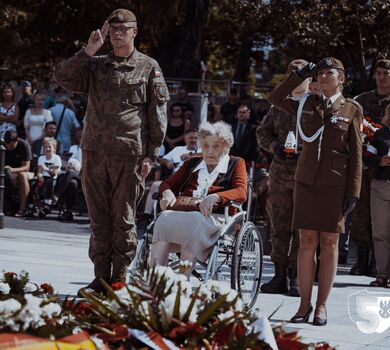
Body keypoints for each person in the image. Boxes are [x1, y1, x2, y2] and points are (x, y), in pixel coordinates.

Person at [54, 8, 169, 293]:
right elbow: (62, 77)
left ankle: (119, 278)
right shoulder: (96, 65)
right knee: (99, 218)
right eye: (113, 29)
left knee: (123, 217)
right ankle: (100, 277)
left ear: (134, 32)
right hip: (94, 151)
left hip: (129, 153)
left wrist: (151, 154)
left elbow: (158, 113)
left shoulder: (148, 66)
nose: (117, 34)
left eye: (123, 29)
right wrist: (88, 50)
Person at [268, 57, 363, 325]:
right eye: (319, 74)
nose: (322, 77)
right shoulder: (306, 105)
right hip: (306, 181)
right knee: (307, 241)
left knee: (329, 243)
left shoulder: (351, 109)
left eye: (328, 73)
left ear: (341, 79)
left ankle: (321, 306)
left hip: (335, 184)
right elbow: (275, 97)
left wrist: (353, 192)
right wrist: (299, 76)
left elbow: (356, 155)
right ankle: (303, 305)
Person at [150, 121, 247, 276]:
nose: (209, 151)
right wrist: (167, 193)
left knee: (194, 221)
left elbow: (241, 191)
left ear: (226, 147)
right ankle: (155, 280)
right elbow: (167, 183)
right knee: (163, 218)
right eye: (205, 146)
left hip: (217, 217)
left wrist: (216, 197)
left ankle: (182, 281)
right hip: (187, 212)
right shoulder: (192, 162)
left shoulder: (236, 163)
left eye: (216, 146)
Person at [257, 59, 311, 297]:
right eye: (291, 74)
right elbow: (262, 132)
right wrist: (274, 147)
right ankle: (279, 275)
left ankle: (296, 276)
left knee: (302, 227)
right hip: (280, 173)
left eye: (300, 74)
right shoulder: (279, 106)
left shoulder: (315, 104)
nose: (296, 78)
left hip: (305, 174)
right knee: (278, 225)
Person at [350, 58, 390, 276]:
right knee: (361, 212)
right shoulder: (362, 100)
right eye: (379, 73)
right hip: (366, 163)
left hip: (387, 170)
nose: (382, 77)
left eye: (386, 73)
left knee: (383, 218)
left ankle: (380, 262)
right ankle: (362, 259)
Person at [143, 129, 200, 216]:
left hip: (191, 180)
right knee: (155, 185)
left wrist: (191, 156)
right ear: (185, 138)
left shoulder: (201, 151)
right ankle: (146, 215)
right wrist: (168, 162)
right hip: (175, 179)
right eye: (190, 137)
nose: (193, 140)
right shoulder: (178, 149)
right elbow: (161, 159)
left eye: (195, 138)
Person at [364, 104, 390, 288]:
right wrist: (380, 160)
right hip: (381, 186)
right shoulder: (380, 135)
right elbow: (367, 157)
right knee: (380, 233)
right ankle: (382, 274)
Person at [4, 130, 33, 217]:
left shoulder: (24, 145)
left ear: (16, 141)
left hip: (24, 171)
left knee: (22, 176)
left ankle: (22, 208)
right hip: (6, 172)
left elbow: (26, 167)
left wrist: (12, 170)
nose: (9, 147)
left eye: (12, 146)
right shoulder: (2, 146)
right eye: (7, 145)